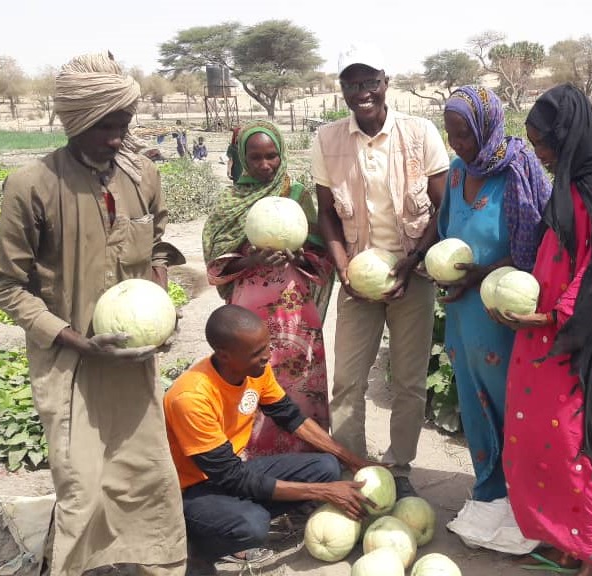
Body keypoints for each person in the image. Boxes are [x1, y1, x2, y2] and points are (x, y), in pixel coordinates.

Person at [0, 52, 186, 576]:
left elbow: (158, 248)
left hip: (132, 359)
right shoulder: (31, 185)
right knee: (83, 485)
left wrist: (160, 305)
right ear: (76, 120)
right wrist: (75, 339)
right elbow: (8, 286)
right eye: (106, 126)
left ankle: (152, 564)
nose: (118, 137)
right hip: (69, 363)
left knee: (146, 475)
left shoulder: (142, 174)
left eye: (124, 124)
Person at [494, 84, 592, 575]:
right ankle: (559, 536)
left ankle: (589, 549)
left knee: (575, 440)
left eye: (545, 144)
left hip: (580, 338)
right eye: (533, 145)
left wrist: (552, 317)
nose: (541, 155)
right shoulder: (570, 182)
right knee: (538, 437)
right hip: (545, 329)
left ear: (568, 136)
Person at [311, 43, 450, 498]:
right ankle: (353, 465)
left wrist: (412, 263)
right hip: (358, 279)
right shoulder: (327, 140)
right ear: (343, 90)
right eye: (352, 84)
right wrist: (345, 270)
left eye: (369, 81)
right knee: (348, 380)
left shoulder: (420, 132)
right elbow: (326, 213)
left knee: (408, 381)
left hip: (414, 274)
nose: (362, 91)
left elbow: (441, 207)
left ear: (385, 81)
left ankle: (401, 467)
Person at [164, 304, 377, 575]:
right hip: (191, 491)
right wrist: (323, 492)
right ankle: (195, 549)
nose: (268, 356)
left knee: (326, 467)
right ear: (224, 355)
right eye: (257, 353)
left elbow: (290, 417)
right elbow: (232, 478)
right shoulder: (191, 397)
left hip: (231, 473)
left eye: (267, 346)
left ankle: (230, 516)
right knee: (252, 525)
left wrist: (355, 461)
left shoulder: (254, 369)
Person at [436, 86, 551, 503]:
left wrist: (487, 271)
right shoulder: (454, 172)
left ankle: (529, 496)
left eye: (465, 134)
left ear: (487, 127)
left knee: (514, 406)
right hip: (463, 313)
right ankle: (489, 488)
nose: (458, 144)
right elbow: (447, 231)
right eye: (451, 134)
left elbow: (542, 247)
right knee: (473, 403)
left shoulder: (519, 169)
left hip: (504, 314)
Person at [203, 120, 334, 458]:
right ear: (242, 157)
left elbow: (321, 254)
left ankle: (310, 463)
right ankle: (258, 469)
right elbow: (214, 263)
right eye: (256, 157)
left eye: (272, 156)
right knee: (253, 384)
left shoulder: (297, 195)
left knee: (301, 383)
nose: (265, 165)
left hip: (295, 311)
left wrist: (299, 253)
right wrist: (250, 259)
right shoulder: (229, 202)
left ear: (282, 154)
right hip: (250, 314)